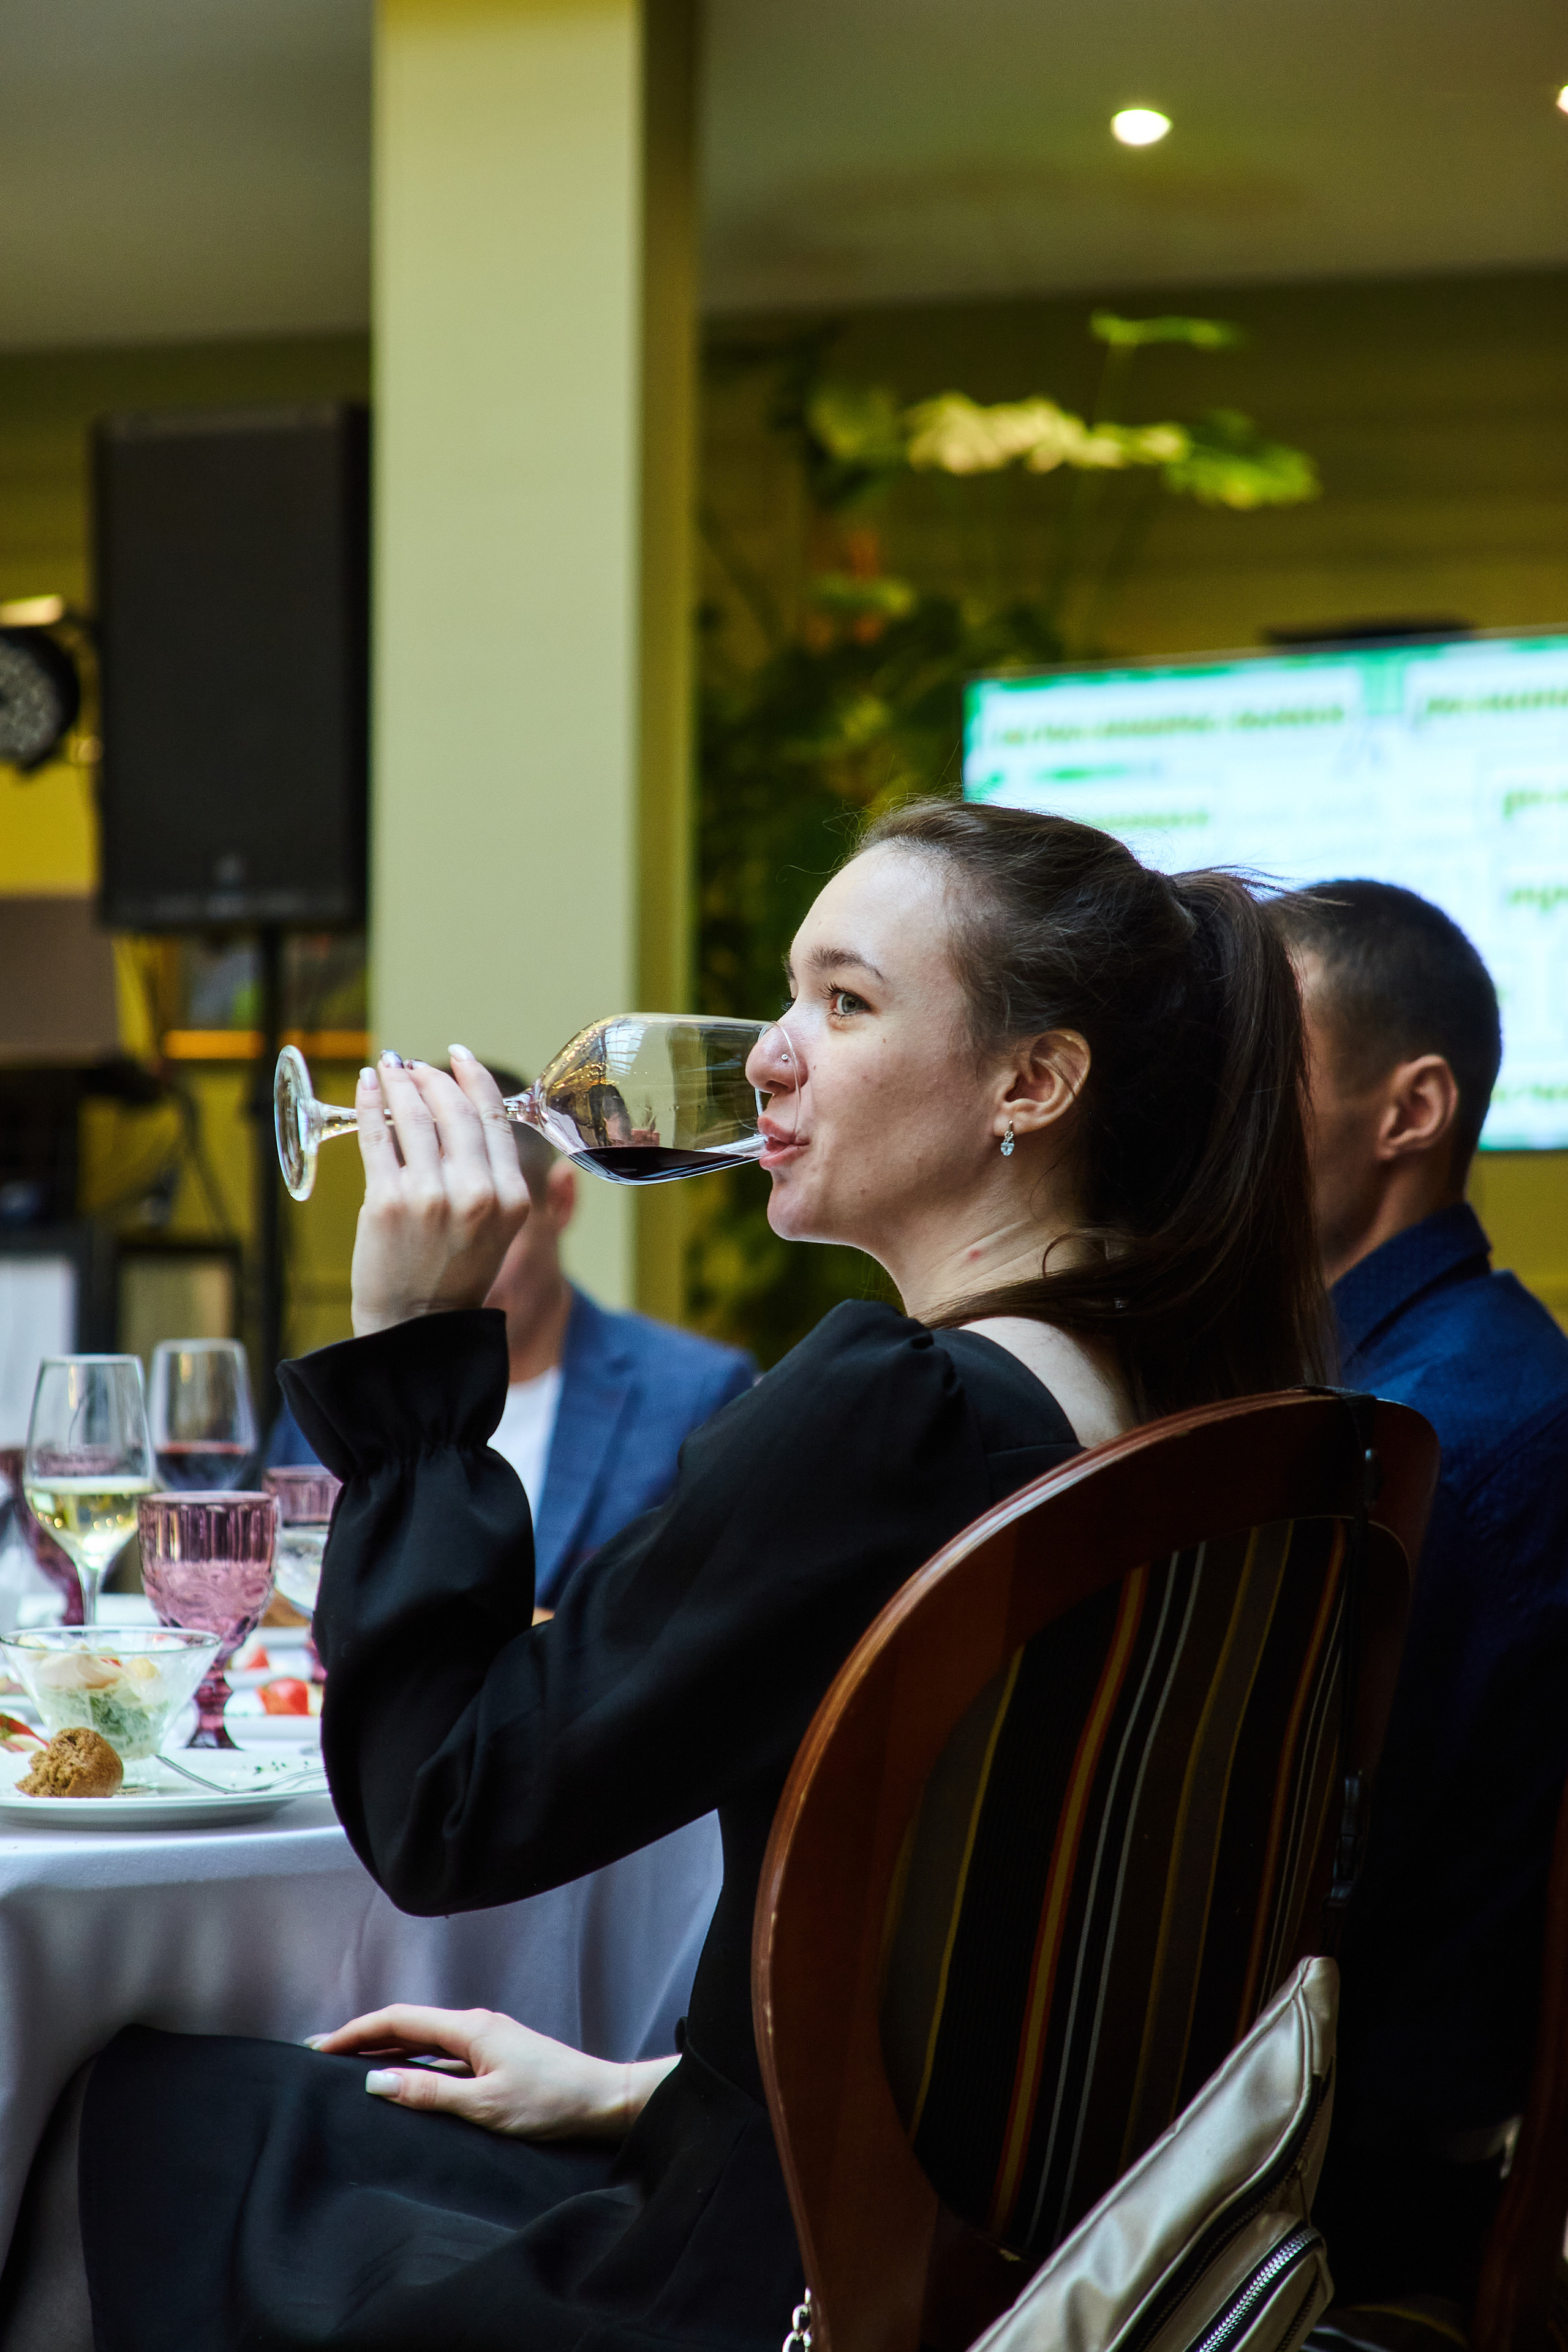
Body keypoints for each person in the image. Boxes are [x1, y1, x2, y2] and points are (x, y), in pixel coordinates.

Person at [2, 802, 1330, 2352]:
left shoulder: (902, 1417)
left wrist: (411, 1362)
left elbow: (446, 1805)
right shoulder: (1178, 1413)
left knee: (141, 2111)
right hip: (971, 2256)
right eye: (788, 996)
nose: (771, 1052)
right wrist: (641, 2088)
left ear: (1027, 1083)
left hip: (744, 2290)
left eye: (843, 1002)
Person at [1270, 879, 1568, 2316]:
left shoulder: (1432, 1434)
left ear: (1410, 1109)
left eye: (1255, 1070)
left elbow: (1292, 1896)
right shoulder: (1374, 1380)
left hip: (1341, 2210)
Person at [267, 1068, 757, 1609]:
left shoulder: (696, 1395)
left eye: (493, 1227)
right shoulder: (331, 1404)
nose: (457, 1269)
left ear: (561, 1202)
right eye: (431, 1227)